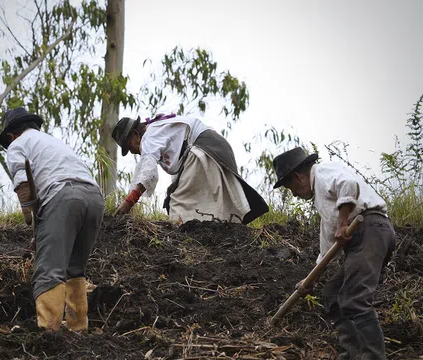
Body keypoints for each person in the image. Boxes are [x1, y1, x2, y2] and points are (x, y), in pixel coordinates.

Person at [272, 147, 395, 359]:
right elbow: (327, 250)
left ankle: (374, 356)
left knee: (354, 298)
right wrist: (308, 281)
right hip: (361, 239)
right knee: (332, 295)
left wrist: (342, 223)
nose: (292, 194)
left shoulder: (322, 173)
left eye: (289, 187)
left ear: (298, 177)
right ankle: (353, 353)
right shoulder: (323, 201)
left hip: (370, 229)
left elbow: (348, 185)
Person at [0, 107, 105, 331]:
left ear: (11, 135)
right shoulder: (52, 142)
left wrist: (27, 211)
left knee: (49, 269)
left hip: (63, 197)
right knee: (75, 268)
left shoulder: (18, 144)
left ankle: (48, 331)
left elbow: (22, 178)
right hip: (94, 198)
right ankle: (78, 328)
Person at [111, 114, 268, 224]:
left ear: (135, 134)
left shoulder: (148, 137)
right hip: (216, 148)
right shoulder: (156, 129)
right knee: (190, 196)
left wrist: (128, 202)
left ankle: (185, 238)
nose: (132, 151)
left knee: (177, 203)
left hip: (204, 150)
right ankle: (220, 227)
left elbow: (148, 173)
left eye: (128, 145)